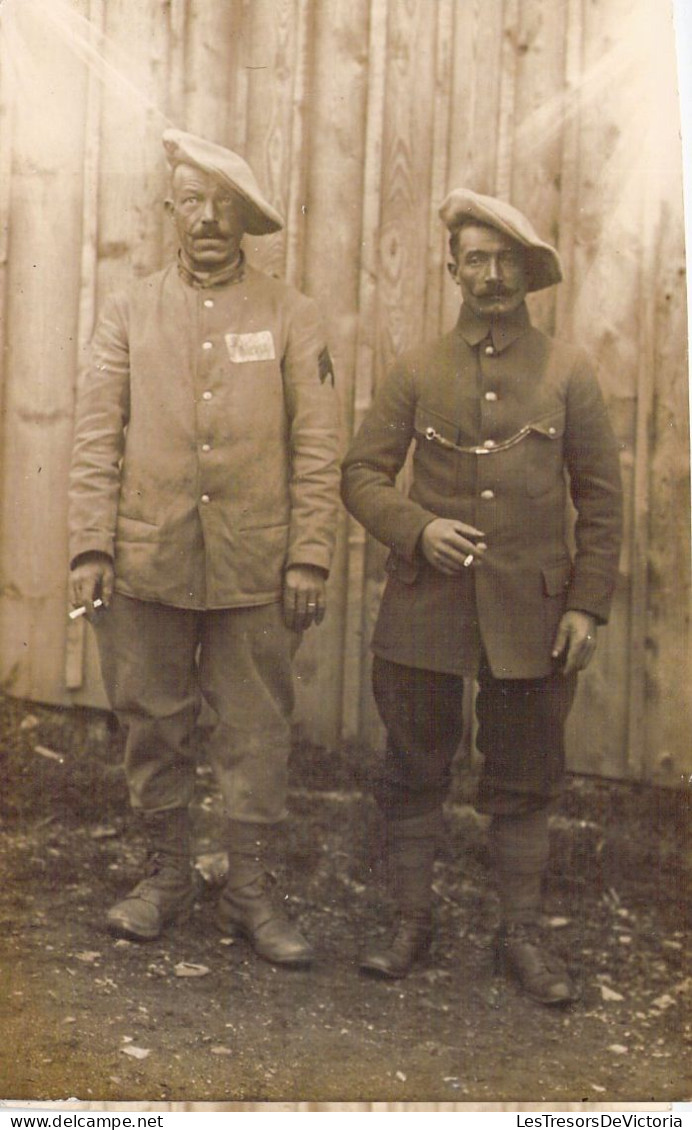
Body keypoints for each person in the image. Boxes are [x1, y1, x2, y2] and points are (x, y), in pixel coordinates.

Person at [341, 189, 623, 1004]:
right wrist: (417, 529)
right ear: (452, 268)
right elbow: (361, 474)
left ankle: (520, 936)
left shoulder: (568, 372)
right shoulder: (417, 368)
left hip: (534, 616)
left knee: (526, 773)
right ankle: (408, 924)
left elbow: (600, 499)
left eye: (506, 261)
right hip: (426, 608)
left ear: (529, 272)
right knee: (413, 765)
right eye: (475, 259)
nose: (491, 275)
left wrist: (586, 605)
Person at [68, 129, 341, 968]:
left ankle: (252, 890)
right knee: (153, 722)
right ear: (170, 212)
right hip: (148, 560)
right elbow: (94, 437)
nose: (208, 220)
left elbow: (320, 444)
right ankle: (166, 879)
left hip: (257, 570)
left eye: (225, 206)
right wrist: (90, 547)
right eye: (193, 202)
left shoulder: (292, 316)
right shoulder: (127, 310)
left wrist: (308, 555)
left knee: (256, 729)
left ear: (247, 220)